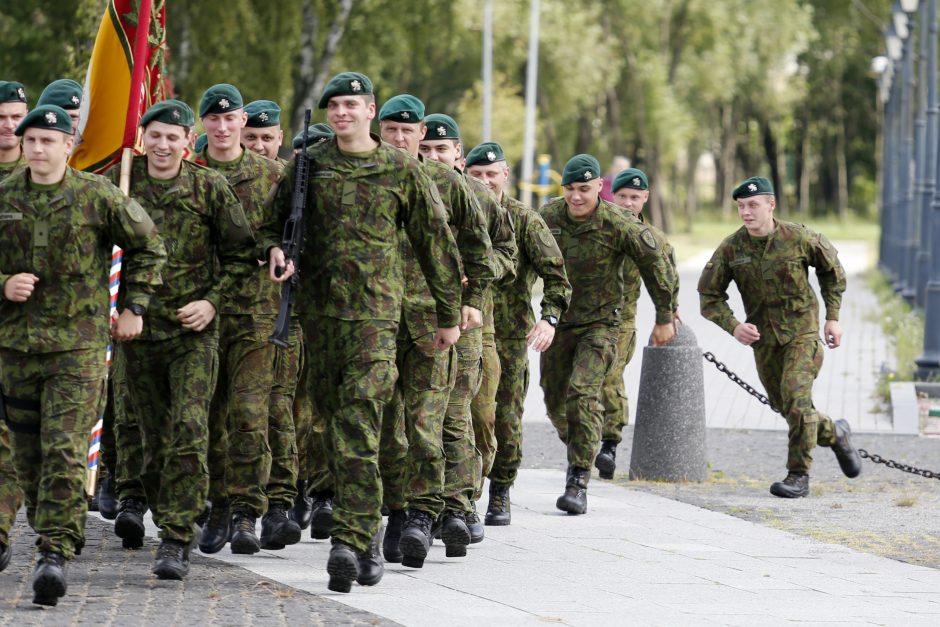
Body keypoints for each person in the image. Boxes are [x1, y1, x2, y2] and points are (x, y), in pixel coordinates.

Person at [263, 71, 464, 593]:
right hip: (319, 318)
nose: (342, 112)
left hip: (377, 321)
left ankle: (350, 540)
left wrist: (447, 315)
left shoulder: (400, 170)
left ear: (371, 110)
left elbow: (436, 243)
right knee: (335, 428)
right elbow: (273, 223)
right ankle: (370, 528)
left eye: (352, 104)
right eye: (334, 105)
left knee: (357, 423)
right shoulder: (309, 165)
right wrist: (277, 251)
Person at [0, 104, 166, 603]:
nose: (38, 149)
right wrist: (3, 284)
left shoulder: (96, 195)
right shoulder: (3, 195)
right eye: (31, 141)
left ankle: (55, 550)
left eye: (49, 141)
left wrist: (135, 305)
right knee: (28, 457)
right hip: (16, 349)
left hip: (78, 348)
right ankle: (45, 522)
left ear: (69, 146)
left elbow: (150, 247)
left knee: (65, 448)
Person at [108, 99, 256, 579]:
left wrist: (213, 301)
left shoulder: (208, 187)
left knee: (189, 431)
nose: (164, 145)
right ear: (143, 139)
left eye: (174, 137)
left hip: (193, 332)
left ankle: (175, 537)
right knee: (154, 440)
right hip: (138, 331)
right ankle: (163, 505)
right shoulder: (120, 184)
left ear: (188, 141)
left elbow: (241, 256)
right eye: (156, 135)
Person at [376, 94, 495, 565]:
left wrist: (467, 303)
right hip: (378, 320)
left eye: (408, 131)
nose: (400, 138)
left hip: (431, 322)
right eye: (391, 130)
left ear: (422, 133)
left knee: (426, 424)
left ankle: (425, 515)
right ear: (378, 131)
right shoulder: (366, 179)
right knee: (388, 427)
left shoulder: (447, 183)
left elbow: (480, 249)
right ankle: (397, 510)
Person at [698, 176, 862, 498]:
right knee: (787, 407)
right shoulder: (732, 248)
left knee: (796, 398)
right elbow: (709, 296)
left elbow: (833, 272)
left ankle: (798, 476)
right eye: (741, 206)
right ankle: (836, 432)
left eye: (753, 205)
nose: (746, 212)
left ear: (771, 205)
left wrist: (832, 318)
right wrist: (733, 326)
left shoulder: (799, 237)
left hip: (802, 335)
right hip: (765, 343)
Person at [193, 83, 301, 556]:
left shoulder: (274, 177)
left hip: (257, 313)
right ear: (203, 126)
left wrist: (288, 254)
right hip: (198, 312)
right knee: (207, 418)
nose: (221, 127)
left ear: (242, 121)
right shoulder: (187, 173)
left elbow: (293, 233)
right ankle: (216, 503)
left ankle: (245, 512)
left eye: (229, 118)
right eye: (212, 120)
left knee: (250, 415)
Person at [540, 154, 678, 515]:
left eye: (584, 189)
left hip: (603, 325)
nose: (576, 197)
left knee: (583, 392)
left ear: (598, 187)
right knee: (556, 401)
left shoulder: (618, 223)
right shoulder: (549, 218)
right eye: (570, 189)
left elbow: (657, 263)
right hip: (559, 322)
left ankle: (578, 480)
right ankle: (583, 444)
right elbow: (524, 258)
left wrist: (665, 316)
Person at [419, 113, 517, 545]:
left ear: (458, 152)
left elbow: (506, 253)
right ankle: (422, 506)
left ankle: (459, 505)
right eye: (426, 150)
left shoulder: (478, 196)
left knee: (461, 414)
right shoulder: (407, 187)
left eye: (442, 150)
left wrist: (474, 280)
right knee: (421, 416)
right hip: (416, 319)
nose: (433, 157)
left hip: (466, 321)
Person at [465, 141, 571, 525]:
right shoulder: (453, 212)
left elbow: (557, 279)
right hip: (463, 333)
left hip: (509, 338)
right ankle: (462, 497)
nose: (484, 181)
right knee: (463, 417)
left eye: (491, 175)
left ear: (505, 176)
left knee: (503, 418)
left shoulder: (524, 220)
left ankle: (500, 490)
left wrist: (549, 319)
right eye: (476, 175)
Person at [595, 167, 679, 479]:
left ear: (645, 198)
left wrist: (670, 312)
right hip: (584, 320)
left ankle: (609, 444)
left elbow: (667, 276)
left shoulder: (652, 239)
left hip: (621, 323)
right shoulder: (596, 230)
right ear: (611, 196)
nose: (628, 203)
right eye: (622, 196)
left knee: (610, 377)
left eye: (634, 197)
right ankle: (586, 438)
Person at [0, 79, 29, 573]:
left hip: (33, 334)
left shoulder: (49, 172)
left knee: (11, 434)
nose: (7, 126)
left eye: (15, 115)